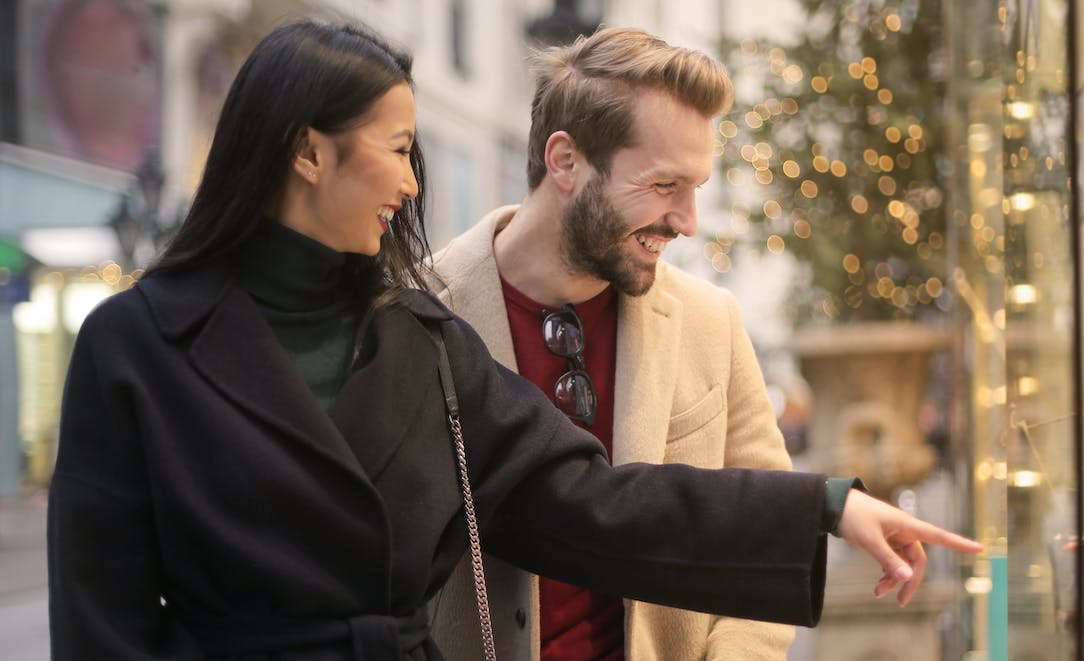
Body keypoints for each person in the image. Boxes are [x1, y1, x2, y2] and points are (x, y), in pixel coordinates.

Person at [47, 18, 982, 661]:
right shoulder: (135, 349)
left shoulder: (414, 340)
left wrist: (820, 506)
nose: (414, 182)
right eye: (396, 147)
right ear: (307, 151)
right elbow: (102, 627)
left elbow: (589, 502)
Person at [426, 28, 801, 661]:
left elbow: (761, 544)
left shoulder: (712, 323)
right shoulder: (417, 316)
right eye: (663, 187)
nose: (686, 221)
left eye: (694, 190)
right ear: (565, 161)